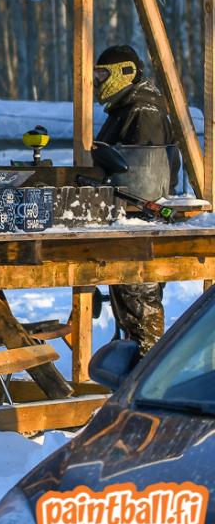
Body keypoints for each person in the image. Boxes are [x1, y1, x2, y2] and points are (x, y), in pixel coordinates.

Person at [94, 45, 174, 353]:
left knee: (142, 306)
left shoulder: (143, 112)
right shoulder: (127, 108)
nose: (98, 82)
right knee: (130, 305)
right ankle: (136, 367)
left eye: (103, 75)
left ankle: (148, 367)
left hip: (139, 221)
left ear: (125, 72)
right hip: (128, 218)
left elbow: (144, 172)